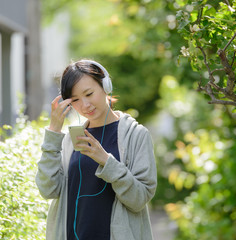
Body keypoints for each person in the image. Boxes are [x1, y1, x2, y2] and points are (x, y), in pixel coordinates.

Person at [35, 59, 157, 240]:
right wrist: (53, 132)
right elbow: (48, 190)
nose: (85, 105)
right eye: (75, 100)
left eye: (89, 94)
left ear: (106, 86)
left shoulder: (136, 135)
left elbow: (139, 199)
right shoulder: (71, 139)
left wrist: (107, 162)